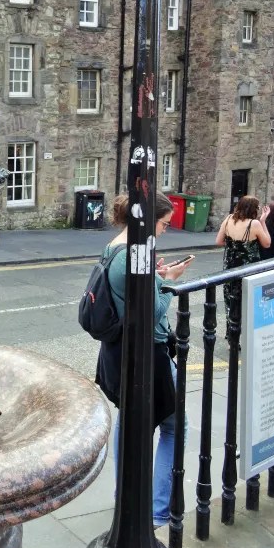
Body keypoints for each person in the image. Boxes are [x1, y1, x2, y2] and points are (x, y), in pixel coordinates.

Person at [95, 192, 193, 529]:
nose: (165, 230)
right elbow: (152, 312)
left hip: (123, 354)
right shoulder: (134, 255)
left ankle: (127, 498)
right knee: (174, 429)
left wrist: (157, 277)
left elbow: (133, 297)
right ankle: (155, 512)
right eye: (164, 224)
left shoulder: (115, 248)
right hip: (149, 355)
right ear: (149, 220)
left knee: (131, 424)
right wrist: (169, 283)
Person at [215, 196, 270, 324]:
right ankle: (247, 331)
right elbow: (267, 243)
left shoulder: (228, 219)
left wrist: (234, 246)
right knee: (248, 301)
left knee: (231, 299)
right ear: (253, 209)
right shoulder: (254, 224)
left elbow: (218, 241)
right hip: (248, 269)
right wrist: (263, 221)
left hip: (230, 266)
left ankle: (231, 331)